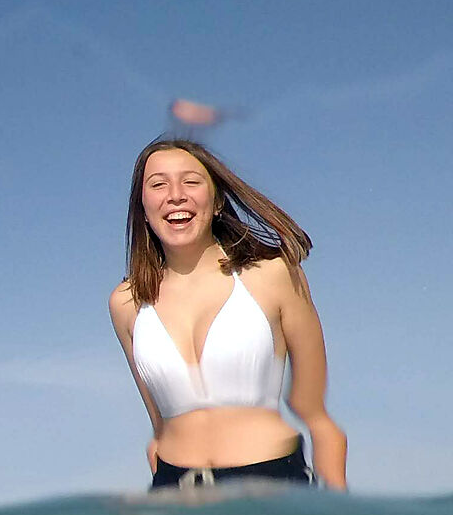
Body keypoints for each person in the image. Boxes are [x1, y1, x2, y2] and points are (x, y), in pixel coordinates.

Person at [108, 138, 347, 490]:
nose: (175, 195)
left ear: (218, 200)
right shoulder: (126, 303)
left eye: (191, 181)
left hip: (272, 484)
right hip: (174, 492)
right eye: (158, 184)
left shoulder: (274, 273)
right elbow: (159, 430)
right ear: (143, 207)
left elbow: (320, 420)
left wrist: (339, 510)